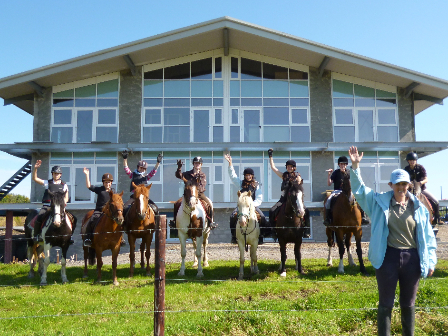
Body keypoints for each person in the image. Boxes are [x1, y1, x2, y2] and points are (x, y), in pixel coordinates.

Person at [349, 146, 436, 336]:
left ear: (408, 185)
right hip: (387, 258)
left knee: (408, 303)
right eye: (397, 184)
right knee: (386, 303)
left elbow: (428, 237)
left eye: (404, 184)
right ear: (390, 185)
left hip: (412, 260)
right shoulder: (378, 203)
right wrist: (355, 167)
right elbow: (360, 190)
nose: (401, 188)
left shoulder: (419, 208)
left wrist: (431, 260)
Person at [225, 153, 267, 244]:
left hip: (253, 206)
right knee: (232, 216)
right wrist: (230, 164)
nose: (248, 177)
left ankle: (261, 236)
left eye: (250, 175)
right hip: (241, 207)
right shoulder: (240, 184)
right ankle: (234, 236)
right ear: (244, 176)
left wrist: (252, 205)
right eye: (246, 175)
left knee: (263, 217)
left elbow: (259, 198)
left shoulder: (256, 185)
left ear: (252, 176)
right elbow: (233, 176)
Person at [267, 148, 310, 238]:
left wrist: (297, 181)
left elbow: (299, 186)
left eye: (291, 166)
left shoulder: (297, 176)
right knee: (271, 211)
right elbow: (273, 168)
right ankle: (273, 231)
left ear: (294, 168)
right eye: (288, 166)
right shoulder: (283, 176)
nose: (289, 168)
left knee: (307, 211)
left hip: (294, 199)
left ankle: (306, 230)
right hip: (283, 199)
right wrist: (270, 156)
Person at [170, 156, 217, 229]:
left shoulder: (202, 175)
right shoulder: (188, 174)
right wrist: (179, 168)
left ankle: (211, 222)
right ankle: (175, 221)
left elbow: (202, 185)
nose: (197, 164)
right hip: (188, 195)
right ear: (193, 164)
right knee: (176, 204)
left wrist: (195, 190)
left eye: (198, 163)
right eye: (195, 163)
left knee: (210, 204)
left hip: (199, 194)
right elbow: (178, 175)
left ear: (201, 164)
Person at [32, 160, 71, 243]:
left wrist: (63, 203)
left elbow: (66, 197)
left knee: (71, 218)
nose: (56, 175)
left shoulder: (64, 185)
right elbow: (35, 178)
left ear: (60, 175)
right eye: (54, 173)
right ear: (52, 174)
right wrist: (35, 169)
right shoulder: (47, 183)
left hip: (59, 207)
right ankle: (37, 235)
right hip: (47, 205)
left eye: (57, 173)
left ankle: (69, 237)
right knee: (40, 216)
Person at [324, 156, 370, 226]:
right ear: (339, 164)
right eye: (341, 164)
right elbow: (329, 183)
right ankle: (328, 218)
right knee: (328, 200)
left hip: (349, 191)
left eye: (344, 164)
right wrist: (329, 175)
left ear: (346, 165)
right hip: (337, 191)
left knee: (360, 199)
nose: (343, 166)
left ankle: (363, 217)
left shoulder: (349, 172)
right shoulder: (336, 172)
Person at [122, 150, 162, 223]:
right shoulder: (133, 175)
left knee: (155, 208)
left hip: (144, 197)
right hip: (134, 197)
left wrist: (158, 163)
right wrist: (125, 159)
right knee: (124, 208)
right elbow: (126, 169)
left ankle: (157, 224)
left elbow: (153, 172)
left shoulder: (146, 177)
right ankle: (124, 225)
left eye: (144, 168)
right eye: (141, 167)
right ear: (138, 167)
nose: (142, 169)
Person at [404, 152, 444, 225]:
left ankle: (437, 218)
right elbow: (404, 179)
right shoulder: (406, 169)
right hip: (410, 189)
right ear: (408, 161)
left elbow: (426, 179)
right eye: (410, 160)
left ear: (416, 160)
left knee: (436, 201)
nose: (412, 161)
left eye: (414, 160)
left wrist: (421, 183)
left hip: (421, 189)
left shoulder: (420, 168)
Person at [82, 169, 114, 247]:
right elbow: (88, 186)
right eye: (106, 182)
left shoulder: (113, 192)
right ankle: (88, 238)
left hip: (109, 213)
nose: (107, 184)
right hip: (99, 211)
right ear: (103, 183)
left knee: (118, 221)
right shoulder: (100, 190)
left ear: (111, 183)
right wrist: (87, 175)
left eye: (109, 182)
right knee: (92, 220)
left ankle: (121, 238)